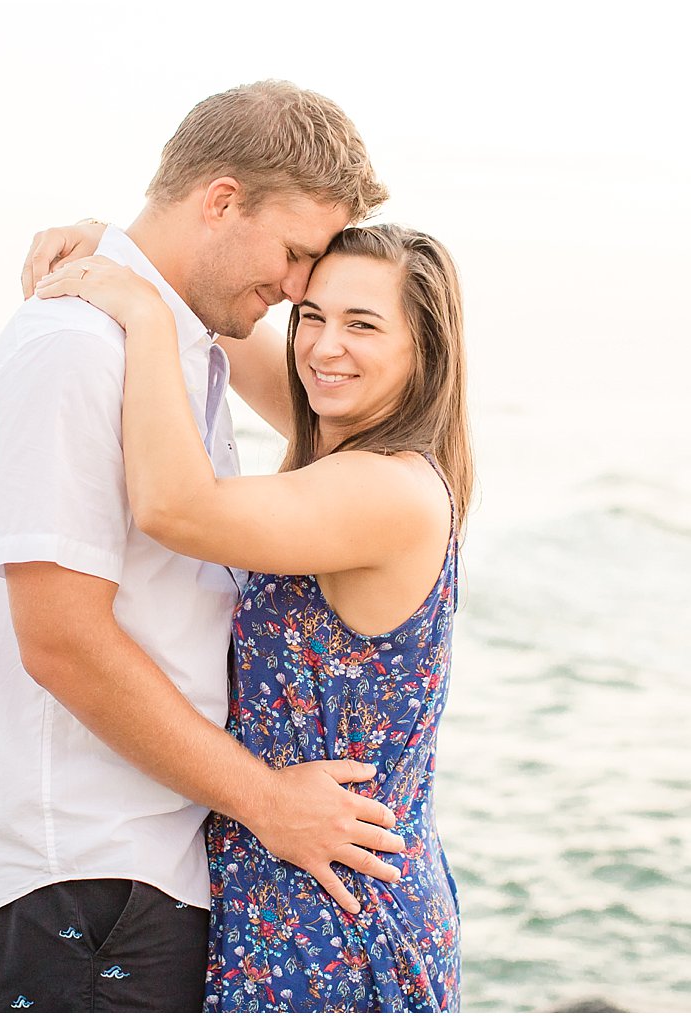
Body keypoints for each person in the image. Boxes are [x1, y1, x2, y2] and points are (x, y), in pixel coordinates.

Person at [0, 80, 406, 1014]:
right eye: (293, 256)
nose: (293, 293)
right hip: (81, 873)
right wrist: (270, 803)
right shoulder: (77, 349)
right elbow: (61, 640)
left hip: (151, 864)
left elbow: (378, 394)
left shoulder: (180, 346)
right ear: (222, 200)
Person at [32, 221, 472, 1011]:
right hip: (287, 892)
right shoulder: (336, 435)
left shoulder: (386, 490)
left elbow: (175, 505)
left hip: (337, 918)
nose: (325, 347)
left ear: (423, 353)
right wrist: (118, 240)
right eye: (312, 315)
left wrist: (145, 316)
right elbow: (232, 321)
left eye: (363, 324)